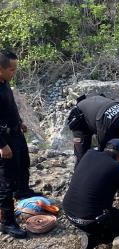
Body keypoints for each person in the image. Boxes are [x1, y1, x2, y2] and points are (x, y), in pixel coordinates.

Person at [63, 138, 119, 248]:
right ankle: (97, 238)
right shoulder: (117, 168)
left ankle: (93, 234)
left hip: (68, 213)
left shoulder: (89, 154)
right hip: (89, 221)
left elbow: (102, 170)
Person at [0, 50, 41, 239]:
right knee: (6, 181)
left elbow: (10, 107)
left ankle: (22, 191)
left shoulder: (5, 82)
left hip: (15, 131)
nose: (14, 72)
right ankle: (7, 222)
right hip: (4, 139)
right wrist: (2, 145)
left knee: (24, 162)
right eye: (11, 69)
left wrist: (20, 121)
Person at [67, 95, 119, 167]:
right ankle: (79, 177)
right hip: (82, 116)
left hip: (98, 107)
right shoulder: (106, 128)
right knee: (83, 157)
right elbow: (103, 155)